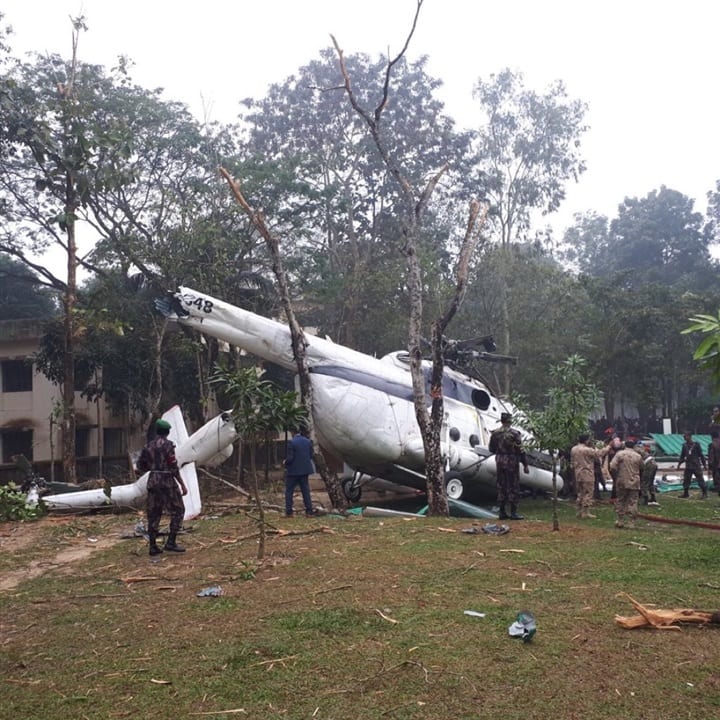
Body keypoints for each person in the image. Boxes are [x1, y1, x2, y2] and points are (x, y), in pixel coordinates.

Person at [135, 418, 188, 556]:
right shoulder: (169, 446)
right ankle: (171, 542)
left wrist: (153, 469)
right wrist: (182, 484)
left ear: (157, 431)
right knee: (178, 510)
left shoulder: (148, 447)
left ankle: (153, 546)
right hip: (167, 482)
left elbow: (140, 467)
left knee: (153, 513)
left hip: (153, 482)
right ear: (168, 432)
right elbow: (173, 466)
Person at [488, 412, 529, 520]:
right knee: (513, 486)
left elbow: (491, 449)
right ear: (510, 421)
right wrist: (525, 464)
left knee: (501, 485)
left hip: (500, 461)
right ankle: (513, 513)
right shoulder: (515, 434)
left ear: (501, 420)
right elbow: (521, 450)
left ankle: (502, 512)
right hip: (512, 462)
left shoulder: (495, 433)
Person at [570, 433, 609, 519]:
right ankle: (585, 512)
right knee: (588, 493)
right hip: (587, 474)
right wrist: (608, 447)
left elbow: (572, 463)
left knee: (580, 493)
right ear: (586, 440)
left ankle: (579, 511)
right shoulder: (587, 450)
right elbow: (599, 453)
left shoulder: (574, 449)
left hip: (578, 473)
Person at [610, 439, 644, 529]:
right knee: (633, 501)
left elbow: (612, 466)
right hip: (634, 481)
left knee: (621, 500)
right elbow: (642, 467)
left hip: (622, 480)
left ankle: (620, 520)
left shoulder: (620, 454)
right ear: (633, 446)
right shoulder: (638, 456)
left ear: (625, 445)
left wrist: (617, 474)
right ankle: (631, 522)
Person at [284, 426, 317, 517]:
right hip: (304, 470)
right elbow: (310, 456)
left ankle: (289, 512)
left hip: (293, 471)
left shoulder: (292, 442)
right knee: (305, 491)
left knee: (289, 491)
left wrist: (285, 462)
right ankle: (309, 511)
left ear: (292, 432)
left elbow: (290, 458)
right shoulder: (307, 441)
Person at [676, 431, 707, 499]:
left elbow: (701, 455)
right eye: (684, 436)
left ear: (690, 436)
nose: (684, 437)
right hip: (688, 465)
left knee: (700, 479)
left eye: (686, 436)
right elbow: (682, 455)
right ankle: (686, 493)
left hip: (696, 465)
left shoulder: (696, 445)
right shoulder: (684, 445)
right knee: (686, 480)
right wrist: (679, 464)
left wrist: (704, 465)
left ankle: (704, 493)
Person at [707, 430, 720, 495]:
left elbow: (711, 457)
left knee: (717, 480)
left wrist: (710, 467)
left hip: (716, 465)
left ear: (712, 437)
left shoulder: (712, 444)